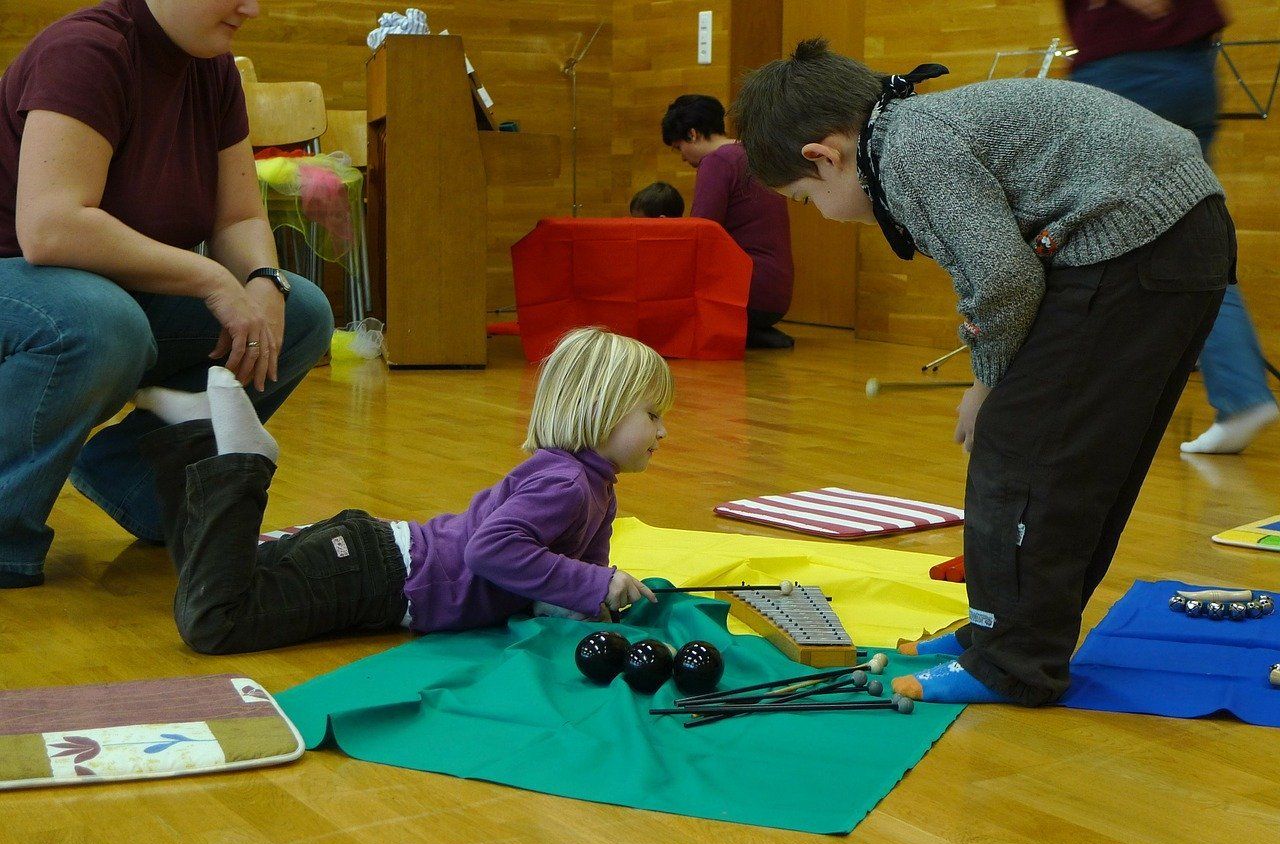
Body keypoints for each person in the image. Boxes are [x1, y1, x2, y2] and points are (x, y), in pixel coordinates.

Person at [733, 39, 1234, 706]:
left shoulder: (907, 148)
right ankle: (1001, 637)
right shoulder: (907, 135)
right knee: (1074, 458)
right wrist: (988, 372)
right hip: (1170, 230)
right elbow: (996, 273)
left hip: (1140, 236)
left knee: (1020, 443)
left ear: (824, 157)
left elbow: (1003, 279)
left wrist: (985, 385)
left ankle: (1014, 661)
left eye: (803, 199)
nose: (815, 214)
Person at [0, 0, 334, 590]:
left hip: (109, 288)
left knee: (301, 313)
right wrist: (209, 279)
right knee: (101, 324)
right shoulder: (87, 53)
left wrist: (264, 282)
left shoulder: (214, 68)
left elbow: (236, 217)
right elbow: (52, 228)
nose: (252, 8)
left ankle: (134, 478)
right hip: (21, 276)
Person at [133, 327, 668, 653]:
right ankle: (242, 461)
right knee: (215, 623)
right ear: (604, 408)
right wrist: (595, 584)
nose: (663, 432)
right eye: (653, 415)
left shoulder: (592, 484)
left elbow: (575, 579)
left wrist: (595, 595)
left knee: (212, 575)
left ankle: (198, 437)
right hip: (377, 575)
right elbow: (493, 550)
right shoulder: (568, 484)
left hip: (374, 554)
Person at [1064, 0, 1278, 454]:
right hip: (1188, 71)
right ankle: (1239, 391)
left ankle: (1235, 394)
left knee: (1098, 240)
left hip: (1129, 73)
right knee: (1191, 240)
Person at [661, 94, 795, 349]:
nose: (682, 157)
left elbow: (701, 230)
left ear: (693, 134)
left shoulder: (717, 161)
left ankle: (738, 329)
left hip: (747, 293)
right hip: (775, 292)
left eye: (679, 147)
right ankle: (751, 332)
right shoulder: (753, 154)